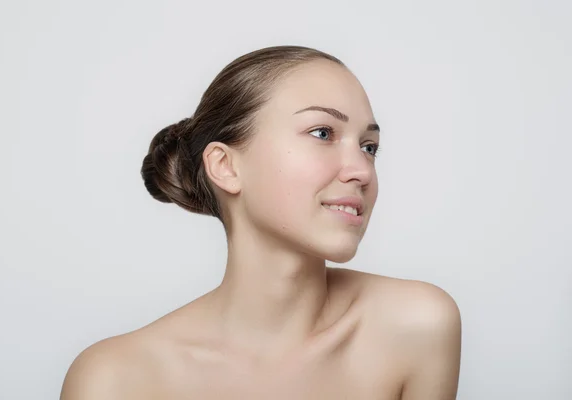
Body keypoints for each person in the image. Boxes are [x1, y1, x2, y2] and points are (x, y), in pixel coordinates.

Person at [60, 45, 461, 399]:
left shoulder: (415, 327)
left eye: (369, 146)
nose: (362, 170)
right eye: (322, 132)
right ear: (226, 165)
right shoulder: (115, 381)